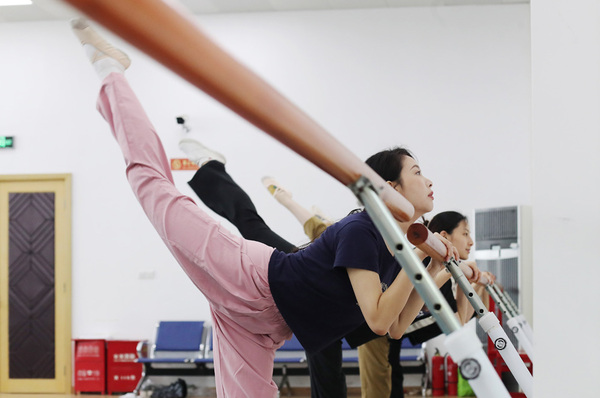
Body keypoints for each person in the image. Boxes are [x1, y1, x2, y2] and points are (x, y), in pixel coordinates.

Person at [71, 18, 475, 398]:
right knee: (153, 186)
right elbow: (377, 319)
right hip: (247, 276)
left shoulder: (397, 252)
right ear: (390, 188)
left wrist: (433, 268)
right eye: (419, 172)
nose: (430, 181)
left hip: (264, 327)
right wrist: (422, 257)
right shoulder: (362, 231)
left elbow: (398, 327)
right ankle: (111, 71)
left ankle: (202, 158)